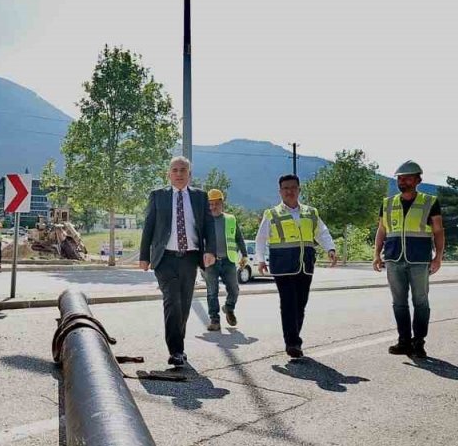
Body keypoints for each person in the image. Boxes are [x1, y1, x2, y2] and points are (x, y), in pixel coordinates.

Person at [139, 156, 216, 366]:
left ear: (189, 174)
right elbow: (149, 226)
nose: (179, 174)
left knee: (184, 304)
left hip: (190, 258)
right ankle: (176, 351)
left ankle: (178, 345)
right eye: (175, 170)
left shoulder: (200, 197)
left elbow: (209, 225)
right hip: (165, 258)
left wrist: (210, 250)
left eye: (183, 170)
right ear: (169, 174)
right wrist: (144, 256)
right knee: (172, 301)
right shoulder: (158, 196)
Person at [255, 174, 337, 360]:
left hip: (304, 265)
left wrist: (330, 248)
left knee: (300, 304)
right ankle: (292, 343)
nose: (289, 191)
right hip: (282, 265)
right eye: (285, 188)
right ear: (280, 191)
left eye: (293, 187)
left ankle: (293, 339)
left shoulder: (311, 212)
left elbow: (322, 232)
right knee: (288, 302)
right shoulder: (272, 214)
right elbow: (261, 238)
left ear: (299, 190)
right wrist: (260, 260)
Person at [373, 161, 444, 360]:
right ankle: (404, 341)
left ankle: (418, 342)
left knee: (421, 302)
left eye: (407, 178)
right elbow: (382, 230)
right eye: (399, 178)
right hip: (394, 258)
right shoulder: (387, 203)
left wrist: (438, 257)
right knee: (399, 303)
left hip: (419, 260)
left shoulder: (430, 202)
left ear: (418, 180)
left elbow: (438, 231)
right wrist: (376, 255)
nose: (402, 181)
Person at [204, 188, 246, 332]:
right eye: (210, 204)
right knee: (212, 292)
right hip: (210, 262)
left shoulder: (230, 219)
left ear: (222, 203)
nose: (213, 207)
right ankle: (214, 320)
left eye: (216, 203)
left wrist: (244, 255)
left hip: (228, 260)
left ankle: (229, 307)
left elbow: (238, 238)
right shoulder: (203, 221)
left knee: (234, 289)